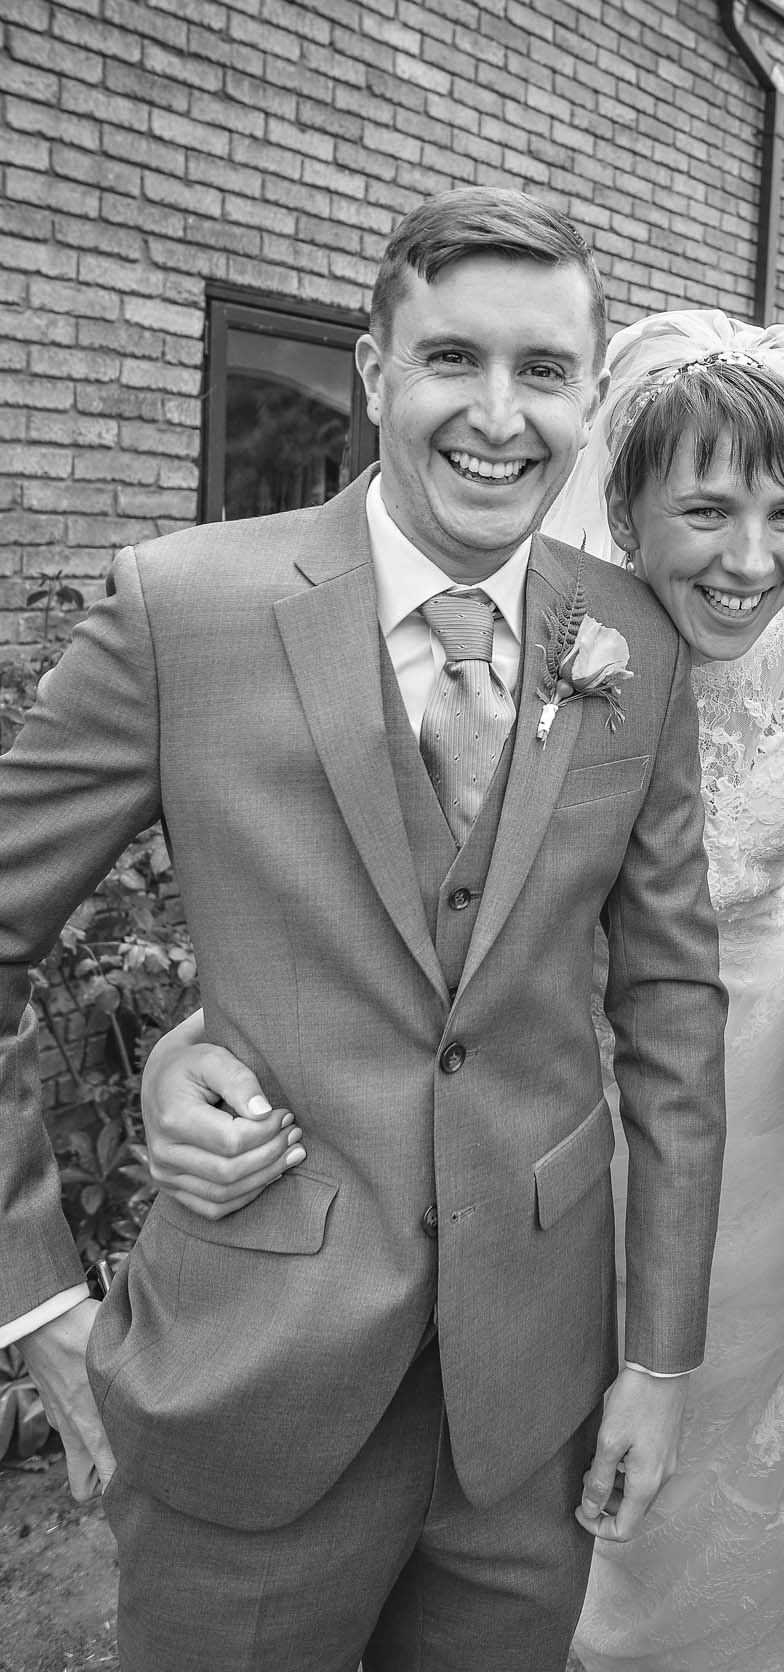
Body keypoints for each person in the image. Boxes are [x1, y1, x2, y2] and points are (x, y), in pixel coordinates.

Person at [0, 188, 729, 1672]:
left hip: (527, 1415)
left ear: (590, 397)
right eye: (452, 359)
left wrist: (657, 1358)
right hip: (249, 1397)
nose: (499, 414)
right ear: (371, 371)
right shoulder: (183, 611)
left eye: (544, 371)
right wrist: (36, 1303)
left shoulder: (631, 643)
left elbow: (672, 1014)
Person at [142, 308, 784, 1672]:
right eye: (704, 508)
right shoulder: (532, 633)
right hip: (531, 1122)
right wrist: (190, 1047)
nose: (751, 555)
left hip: (752, 1107)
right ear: (624, 504)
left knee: (724, 1463)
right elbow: (364, 912)